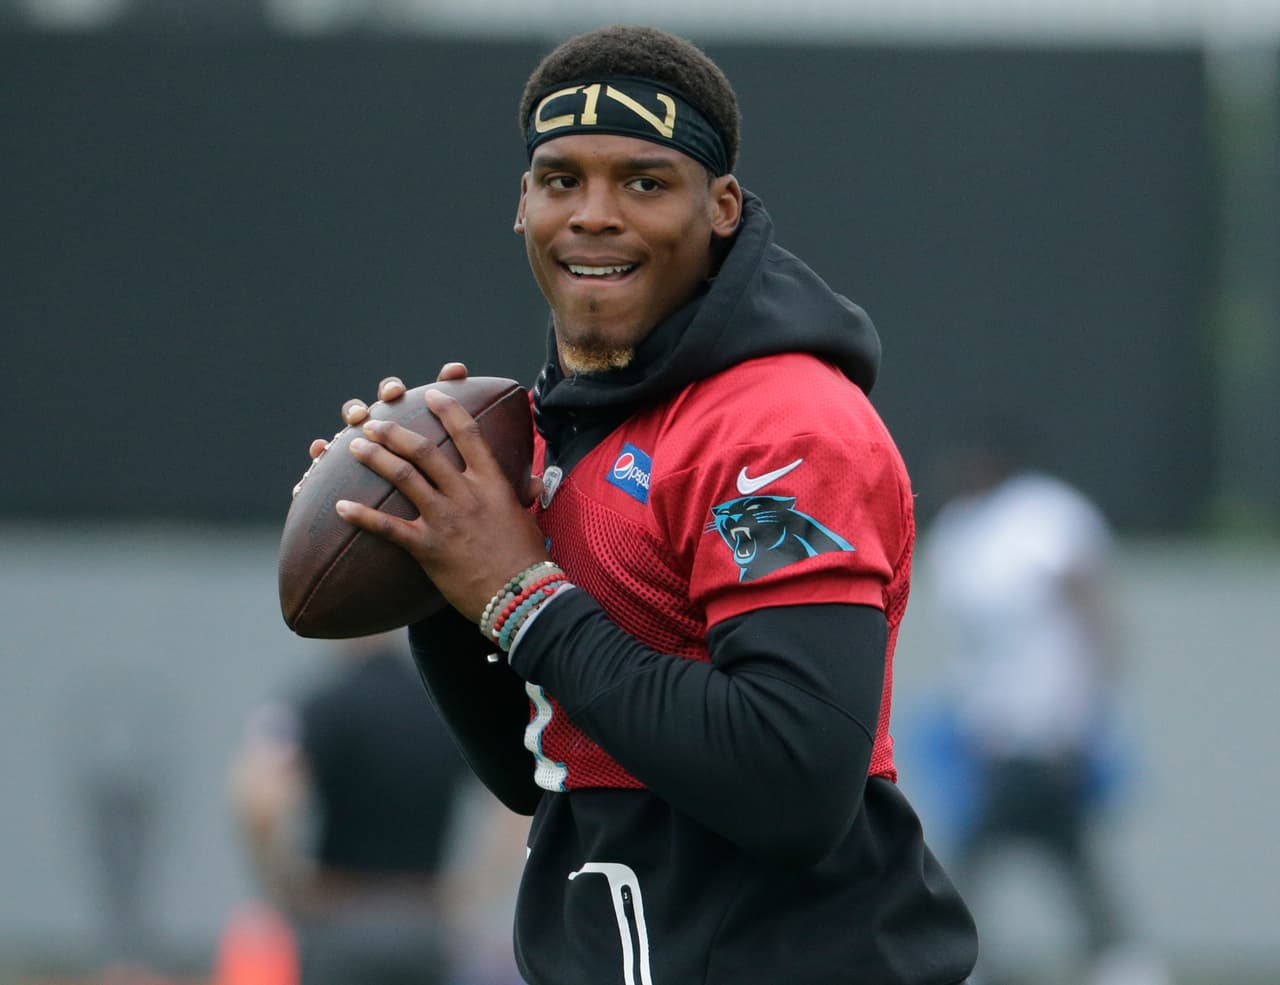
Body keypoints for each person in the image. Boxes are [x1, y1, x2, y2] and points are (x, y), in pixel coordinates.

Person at [310, 25, 977, 984]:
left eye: (645, 182)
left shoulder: (778, 424)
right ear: (522, 206)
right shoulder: (558, 430)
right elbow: (541, 765)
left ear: (722, 208)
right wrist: (429, 555)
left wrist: (516, 590)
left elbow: (792, 780)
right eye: (560, 179)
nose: (594, 215)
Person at [920, 432, 1165, 985]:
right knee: (1059, 850)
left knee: (982, 847)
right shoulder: (966, 529)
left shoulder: (1045, 517)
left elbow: (1094, 613)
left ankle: (969, 957)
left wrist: (1084, 710)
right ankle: (1119, 961)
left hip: (1049, 728)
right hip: (994, 729)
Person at [228, 632, 470, 985]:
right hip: (422, 919)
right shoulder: (441, 705)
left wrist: (281, 888)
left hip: (340, 916)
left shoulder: (323, 704)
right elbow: (517, 799)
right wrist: (478, 886)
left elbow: (260, 803)